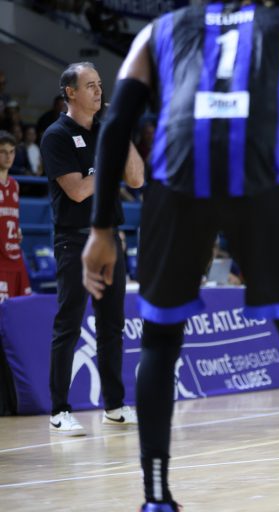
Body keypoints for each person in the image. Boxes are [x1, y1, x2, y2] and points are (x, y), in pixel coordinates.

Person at [80, 3, 279, 511]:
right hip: (263, 175)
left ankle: (156, 497)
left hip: (178, 176)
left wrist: (102, 228)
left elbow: (116, 122)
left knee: (160, 342)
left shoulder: (158, 31)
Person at [40, 62, 144, 436]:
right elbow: (78, 190)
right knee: (68, 325)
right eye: (90, 86)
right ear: (70, 92)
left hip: (110, 239)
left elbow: (137, 178)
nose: (99, 91)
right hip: (75, 241)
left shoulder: (107, 131)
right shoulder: (56, 135)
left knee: (112, 326)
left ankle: (114, 406)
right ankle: (59, 410)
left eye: (100, 84)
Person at [0, 130, 32, 302]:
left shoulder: (14, 185)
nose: (8, 157)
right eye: (3, 152)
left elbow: (12, 217)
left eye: (11, 152)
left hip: (14, 254)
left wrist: (17, 230)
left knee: (21, 307)